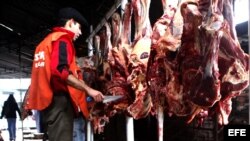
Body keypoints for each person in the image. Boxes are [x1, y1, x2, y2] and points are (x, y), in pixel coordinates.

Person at [24, 7, 104, 141]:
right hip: (59, 102)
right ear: (70, 22)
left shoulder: (44, 43)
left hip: (49, 103)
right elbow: (60, 71)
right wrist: (89, 90)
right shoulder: (62, 40)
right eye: (78, 26)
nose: (80, 31)